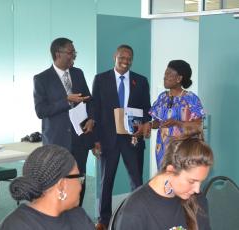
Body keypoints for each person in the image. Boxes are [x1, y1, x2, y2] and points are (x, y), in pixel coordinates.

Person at [92, 44, 151, 230]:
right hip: (107, 139)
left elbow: (146, 109)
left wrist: (144, 124)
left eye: (129, 59)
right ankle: (103, 219)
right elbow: (94, 110)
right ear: (114, 57)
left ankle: (137, 217)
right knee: (105, 181)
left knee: (137, 181)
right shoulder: (101, 79)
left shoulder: (140, 81)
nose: (125, 62)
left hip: (132, 139)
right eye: (121, 58)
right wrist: (95, 140)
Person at [33, 37, 95, 205]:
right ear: (57, 54)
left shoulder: (78, 73)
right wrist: (66, 101)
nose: (73, 55)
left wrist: (91, 119)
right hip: (56, 142)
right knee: (56, 184)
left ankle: (76, 215)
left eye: (74, 52)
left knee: (78, 181)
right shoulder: (42, 79)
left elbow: (89, 100)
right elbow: (41, 111)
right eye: (70, 52)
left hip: (79, 139)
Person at [115, 135, 214, 230]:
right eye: (192, 181)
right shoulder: (134, 212)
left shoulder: (198, 201)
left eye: (201, 182)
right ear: (170, 170)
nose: (197, 190)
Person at [0, 144, 95, 230]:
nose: (80, 185)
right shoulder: (16, 226)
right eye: (78, 177)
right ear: (61, 185)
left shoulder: (78, 214)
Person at [148, 60, 205, 169]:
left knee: (180, 181)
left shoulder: (190, 98)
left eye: (169, 74)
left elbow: (198, 126)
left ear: (179, 78)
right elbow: (158, 122)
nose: (165, 77)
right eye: (165, 74)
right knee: (164, 181)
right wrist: (148, 125)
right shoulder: (162, 97)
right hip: (163, 149)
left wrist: (177, 122)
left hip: (183, 150)